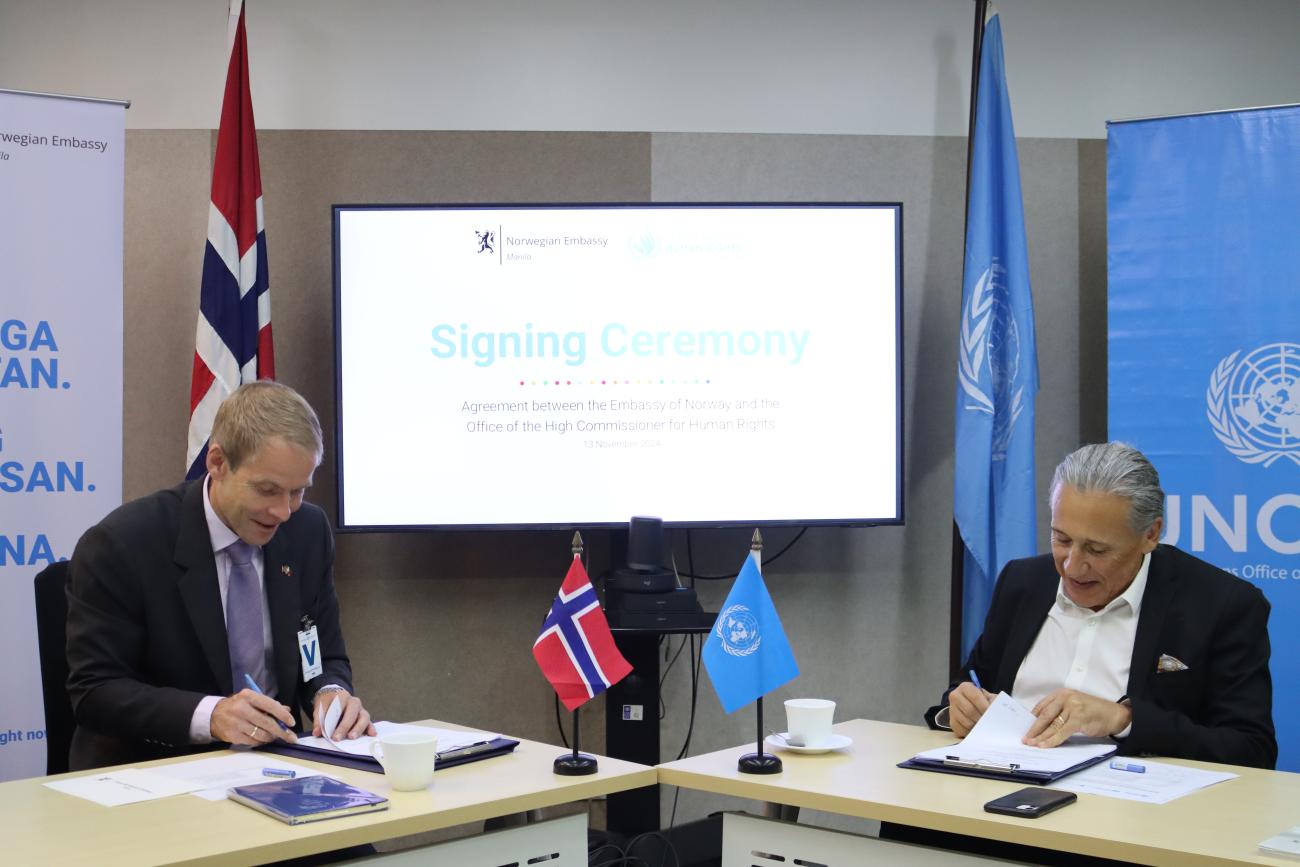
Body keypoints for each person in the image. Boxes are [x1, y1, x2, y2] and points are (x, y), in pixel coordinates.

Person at [66, 380, 375, 771]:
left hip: (279, 765)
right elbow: (95, 691)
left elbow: (321, 652)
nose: (283, 512)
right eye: (268, 490)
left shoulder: (307, 532)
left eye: (298, 492)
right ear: (217, 462)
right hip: (157, 771)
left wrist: (330, 691)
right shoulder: (122, 544)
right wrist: (212, 715)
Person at [928, 441, 1276, 769]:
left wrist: (1124, 720)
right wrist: (957, 709)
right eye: (1061, 539)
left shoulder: (1222, 605)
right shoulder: (1023, 582)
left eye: (1096, 550)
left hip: (1128, 812)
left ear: (1150, 535)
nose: (1072, 566)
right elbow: (970, 684)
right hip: (997, 788)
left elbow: (1250, 749)